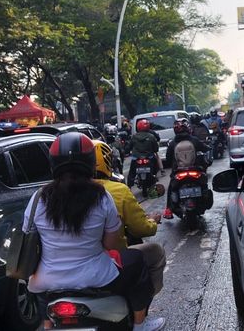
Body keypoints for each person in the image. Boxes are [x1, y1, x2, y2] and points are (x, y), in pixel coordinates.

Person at [25, 132, 165, 331]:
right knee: (137, 261)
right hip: (97, 277)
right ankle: (140, 325)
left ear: (53, 164)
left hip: (46, 281)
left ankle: (48, 325)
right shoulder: (102, 196)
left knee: (38, 294)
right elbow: (111, 245)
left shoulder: (38, 198)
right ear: (91, 162)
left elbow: (31, 240)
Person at [93, 140, 166, 295]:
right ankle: (141, 311)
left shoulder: (47, 196)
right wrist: (152, 221)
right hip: (104, 264)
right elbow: (140, 229)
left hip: (55, 276)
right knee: (155, 252)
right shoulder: (113, 192)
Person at [162, 118, 210, 219]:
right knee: (204, 184)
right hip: (195, 169)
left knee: (171, 188)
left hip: (178, 171)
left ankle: (168, 209)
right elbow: (205, 148)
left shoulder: (172, 143)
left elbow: (167, 158)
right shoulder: (194, 140)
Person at [129, 119, 163, 186]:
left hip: (136, 157)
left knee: (132, 173)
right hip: (149, 156)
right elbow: (156, 149)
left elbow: (129, 147)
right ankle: (154, 177)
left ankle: (129, 186)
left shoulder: (134, 137)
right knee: (155, 166)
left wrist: (127, 151)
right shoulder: (151, 136)